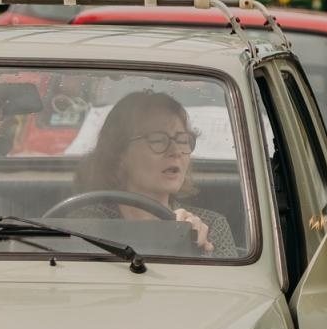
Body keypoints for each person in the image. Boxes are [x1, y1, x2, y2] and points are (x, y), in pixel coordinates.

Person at [69, 90, 236, 258]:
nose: (176, 151)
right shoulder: (88, 222)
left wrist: (197, 249)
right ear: (119, 153)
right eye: (158, 140)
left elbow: (228, 283)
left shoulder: (212, 226)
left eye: (183, 140)